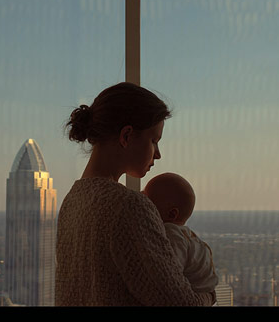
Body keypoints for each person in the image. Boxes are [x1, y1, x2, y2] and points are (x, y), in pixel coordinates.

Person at [55, 82, 214, 306]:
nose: (157, 154)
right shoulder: (128, 205)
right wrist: (209, 297)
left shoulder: (72, 201)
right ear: (127, 136)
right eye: (154, 141)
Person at [143, 172, 218, 295]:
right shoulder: (189, 236)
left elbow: (170, 271)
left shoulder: (170, 233)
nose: (141, 203)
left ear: (172, 214)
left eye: (147, 200)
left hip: (190, 294)